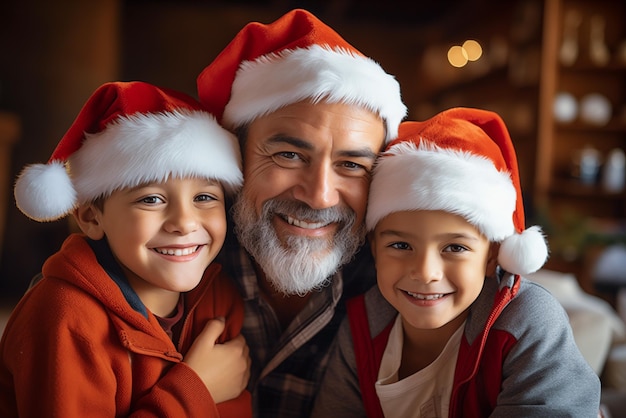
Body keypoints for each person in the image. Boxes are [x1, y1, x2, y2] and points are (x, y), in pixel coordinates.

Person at [312, 108, 602, 417]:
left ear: (492, 256)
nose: (425, 272)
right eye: (400, 245)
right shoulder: (361, 327)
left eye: (454, 247)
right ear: (374, 249)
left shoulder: (528, 321)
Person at [196, 8, 407, 417]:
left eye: (351, 165)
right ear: (235, 155)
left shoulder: (407, 284)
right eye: (289, 154)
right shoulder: (168, 262)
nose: (319, 197)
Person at [0, 81, 252, 417]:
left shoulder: (220, 299)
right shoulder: (65, 319)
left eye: (204, 197)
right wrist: (196, 390)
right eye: (151, 199)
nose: (184, 222)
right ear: (91, 218)